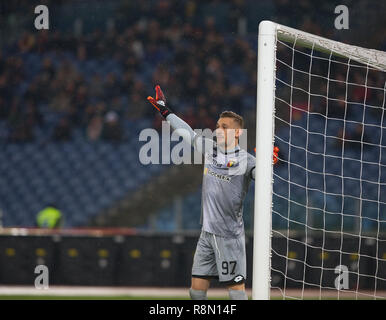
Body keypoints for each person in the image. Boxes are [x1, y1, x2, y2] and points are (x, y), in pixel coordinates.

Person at [147, 85, 278, 300]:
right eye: (217, 126)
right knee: (196, 291)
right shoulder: (210, 149)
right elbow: (187, 132)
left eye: (224, 127)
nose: (218, 130)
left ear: (237, 133)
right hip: (207, 234)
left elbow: (261, 178)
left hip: (229, 236)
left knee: (236, 292)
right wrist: (165, 111)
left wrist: (268, 165)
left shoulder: (247, 160)